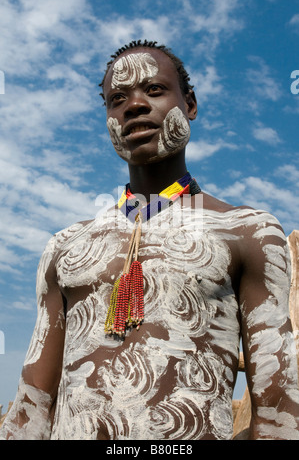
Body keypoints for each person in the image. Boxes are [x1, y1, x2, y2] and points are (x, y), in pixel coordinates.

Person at [1, 40, 299, 440]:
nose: (134, 105)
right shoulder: (67, 246)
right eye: (117, 98)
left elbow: (279, 405)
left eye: (154, 90)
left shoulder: (249, 233)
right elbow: (33, 401)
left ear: (189, 104)